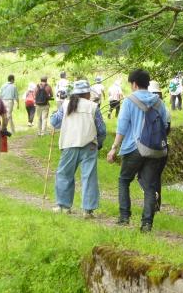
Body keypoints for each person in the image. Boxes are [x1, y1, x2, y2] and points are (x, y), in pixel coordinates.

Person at [107, 69, 169, 232]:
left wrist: (114, 148)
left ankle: (124, 217)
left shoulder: (129, 101)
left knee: (124, 180)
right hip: (154, 149)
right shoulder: (158, 102)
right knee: (150, 187)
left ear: (134, 84)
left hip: (133, 148)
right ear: (147, 84)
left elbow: (122, 128)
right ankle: (147, 223)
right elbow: (166, 123)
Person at [50, 80, 106, 218]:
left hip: (69, 144)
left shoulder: (66, 105)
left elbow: (54, 122)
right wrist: (100, 143)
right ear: (87, 93)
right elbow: (101, 129)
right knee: (89, 177)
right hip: (89, 145)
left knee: (64, 174)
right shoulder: (93, 106)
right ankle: (88, 210)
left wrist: (54, 114)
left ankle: (63, 206)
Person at [138, 80, 170, 211]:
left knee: (142, 176)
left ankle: (151, 199)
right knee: (156, 176)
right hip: (162, 147)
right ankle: (156, 205)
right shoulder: (164, 108)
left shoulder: (141, 108)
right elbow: (167, 129)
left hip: (144, 147)